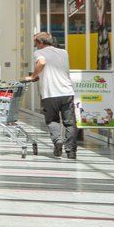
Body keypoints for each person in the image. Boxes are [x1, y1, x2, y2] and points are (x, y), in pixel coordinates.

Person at [30, 30, 78, 159]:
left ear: (40, 43)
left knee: (52, 120)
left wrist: (33, 76)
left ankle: (58, 140)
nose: (35, 46)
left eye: (36, 43)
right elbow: (55, 68)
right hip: (67, 92)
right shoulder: (64, 52)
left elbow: (42, 63)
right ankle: (71, 151)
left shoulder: (39, 53)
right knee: (70, 122)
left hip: (50, 93)